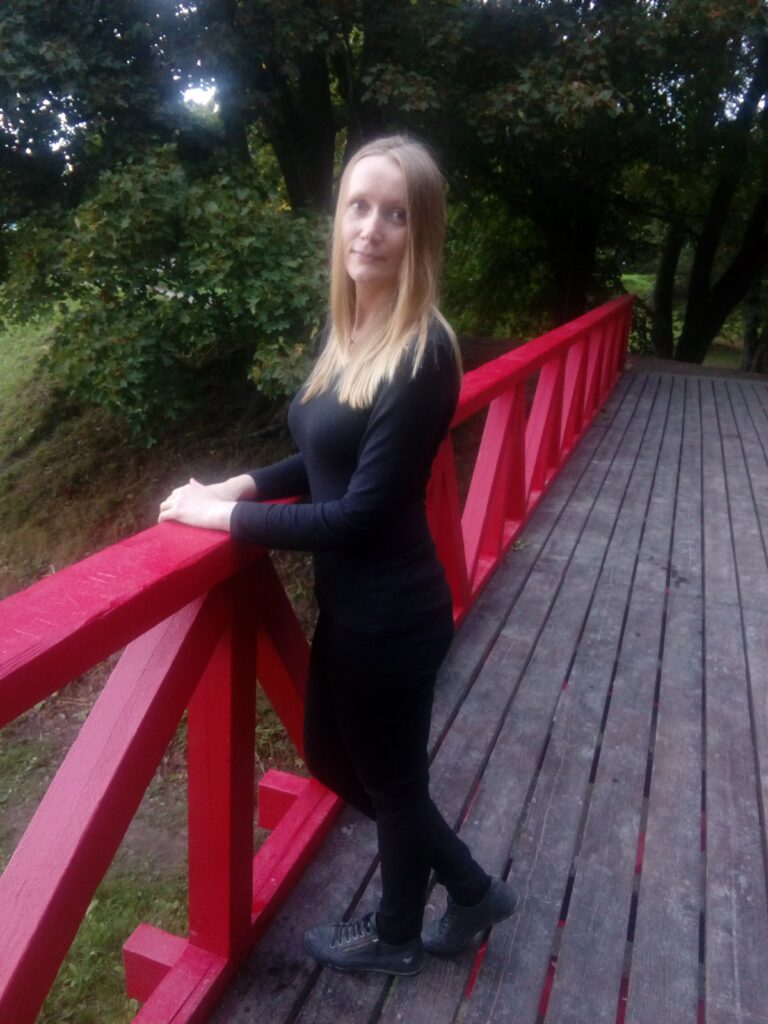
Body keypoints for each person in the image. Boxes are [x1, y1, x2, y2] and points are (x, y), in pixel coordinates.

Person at [158, 135, 517, 976]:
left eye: (396, 214)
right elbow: (325, 453)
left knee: (392, 786)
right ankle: (469, 890)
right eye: (359, 206)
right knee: (335, 758)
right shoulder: (353, 328)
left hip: (392, 617)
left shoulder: (422, 353)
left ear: (422, 233)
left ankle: (398, 932)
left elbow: (357, 514)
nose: (371, 228)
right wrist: (243, 484)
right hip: (354, 611)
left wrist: (222, 521)